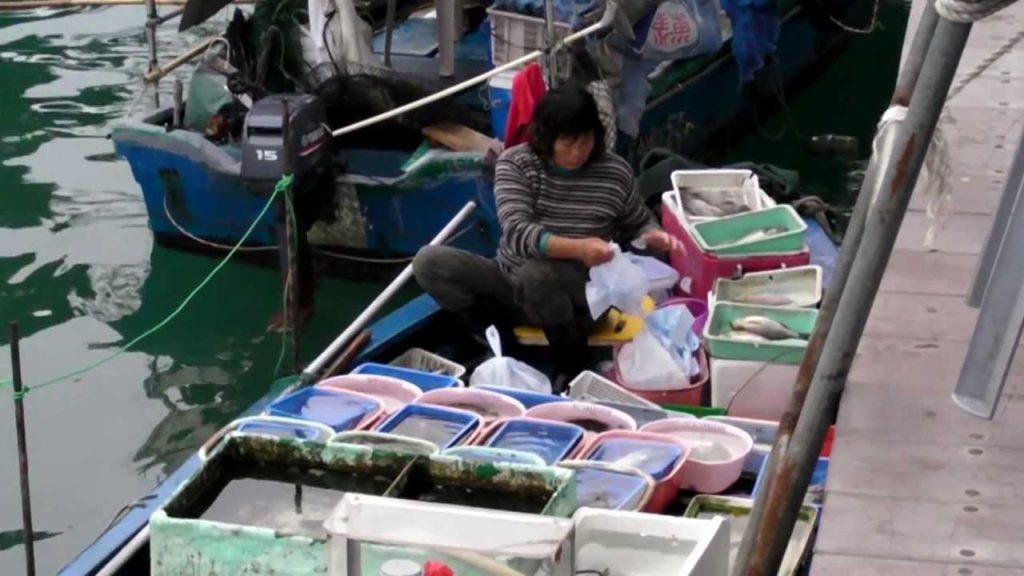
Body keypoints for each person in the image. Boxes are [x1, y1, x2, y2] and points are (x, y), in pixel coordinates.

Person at [413, 84, 680, 392]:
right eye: (568, 143)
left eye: (586, 141)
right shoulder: (517, 164)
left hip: (585, 295)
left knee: (538, 274)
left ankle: (571, 362)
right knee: (430, 262)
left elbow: (637, 221)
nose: (578, 152)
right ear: (546, 138)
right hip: (511, 280)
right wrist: (578, 248)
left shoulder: (614, 172)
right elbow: (518, 230)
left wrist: (652, 234)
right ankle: (498, 336)